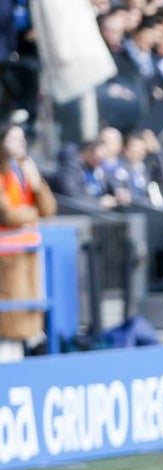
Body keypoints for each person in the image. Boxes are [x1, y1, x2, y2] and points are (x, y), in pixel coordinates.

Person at [0, 120, 56, 362]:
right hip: (6, 258)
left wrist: (36, 183)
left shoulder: (25, 170)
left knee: (28, 321)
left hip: (29, 254)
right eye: (13, 138)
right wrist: (32, 212)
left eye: (22, 139)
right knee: (9, 325)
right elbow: (7, 214)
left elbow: (49, 208)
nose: (20, 144)